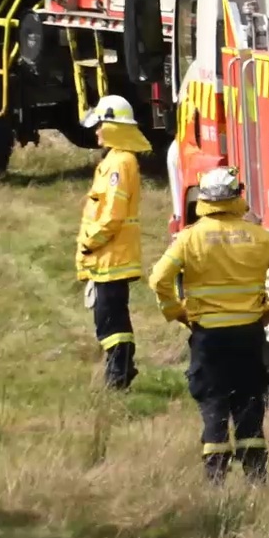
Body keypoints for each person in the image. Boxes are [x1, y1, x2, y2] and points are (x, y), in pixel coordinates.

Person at [146, 166, 269, 480]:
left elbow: (159, 278)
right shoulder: (259, 236)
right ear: (236, 197)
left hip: (209, 335)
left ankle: (216, 476)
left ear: (204, 199)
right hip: (249, 332)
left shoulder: (190, 238)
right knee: (250, 398)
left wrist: (176, 311)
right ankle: (256, 474)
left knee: (213, 400)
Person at [76, 94, 152, 390]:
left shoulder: (120, 163)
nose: (96, 132)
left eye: (100, 126)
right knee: (109, 318)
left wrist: (90, 244)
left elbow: (112, 215)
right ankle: (120, 369)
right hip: (109, 257)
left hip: (112, 256)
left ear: (113, 127)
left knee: (110, 321)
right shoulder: (116, 160)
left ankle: (119, 374)